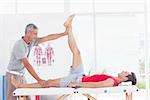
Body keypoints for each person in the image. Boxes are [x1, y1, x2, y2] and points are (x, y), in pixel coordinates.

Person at [11, 15, 137, 89]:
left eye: (126, 72)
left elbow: (95, 85)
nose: (123, 70)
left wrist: (76, 83)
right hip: (81, 74)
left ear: (126, 77)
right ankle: (68, 28)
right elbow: (47, 37)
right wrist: (64, 34)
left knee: (48, 82)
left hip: (78, 79)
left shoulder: (113, 81)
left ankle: (21, 86)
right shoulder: (113, 78)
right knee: (77, 53)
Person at [6, 16, 72, 100]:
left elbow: (47, 38)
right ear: (28, 33)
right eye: (35, 33)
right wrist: (39, 80)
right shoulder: (19, 45)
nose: (36, 36)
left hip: (21, 76)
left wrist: (64, 34)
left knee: (27, 97)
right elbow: (27, 65)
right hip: (13, 76)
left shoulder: (31, 42)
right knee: (12, 98)